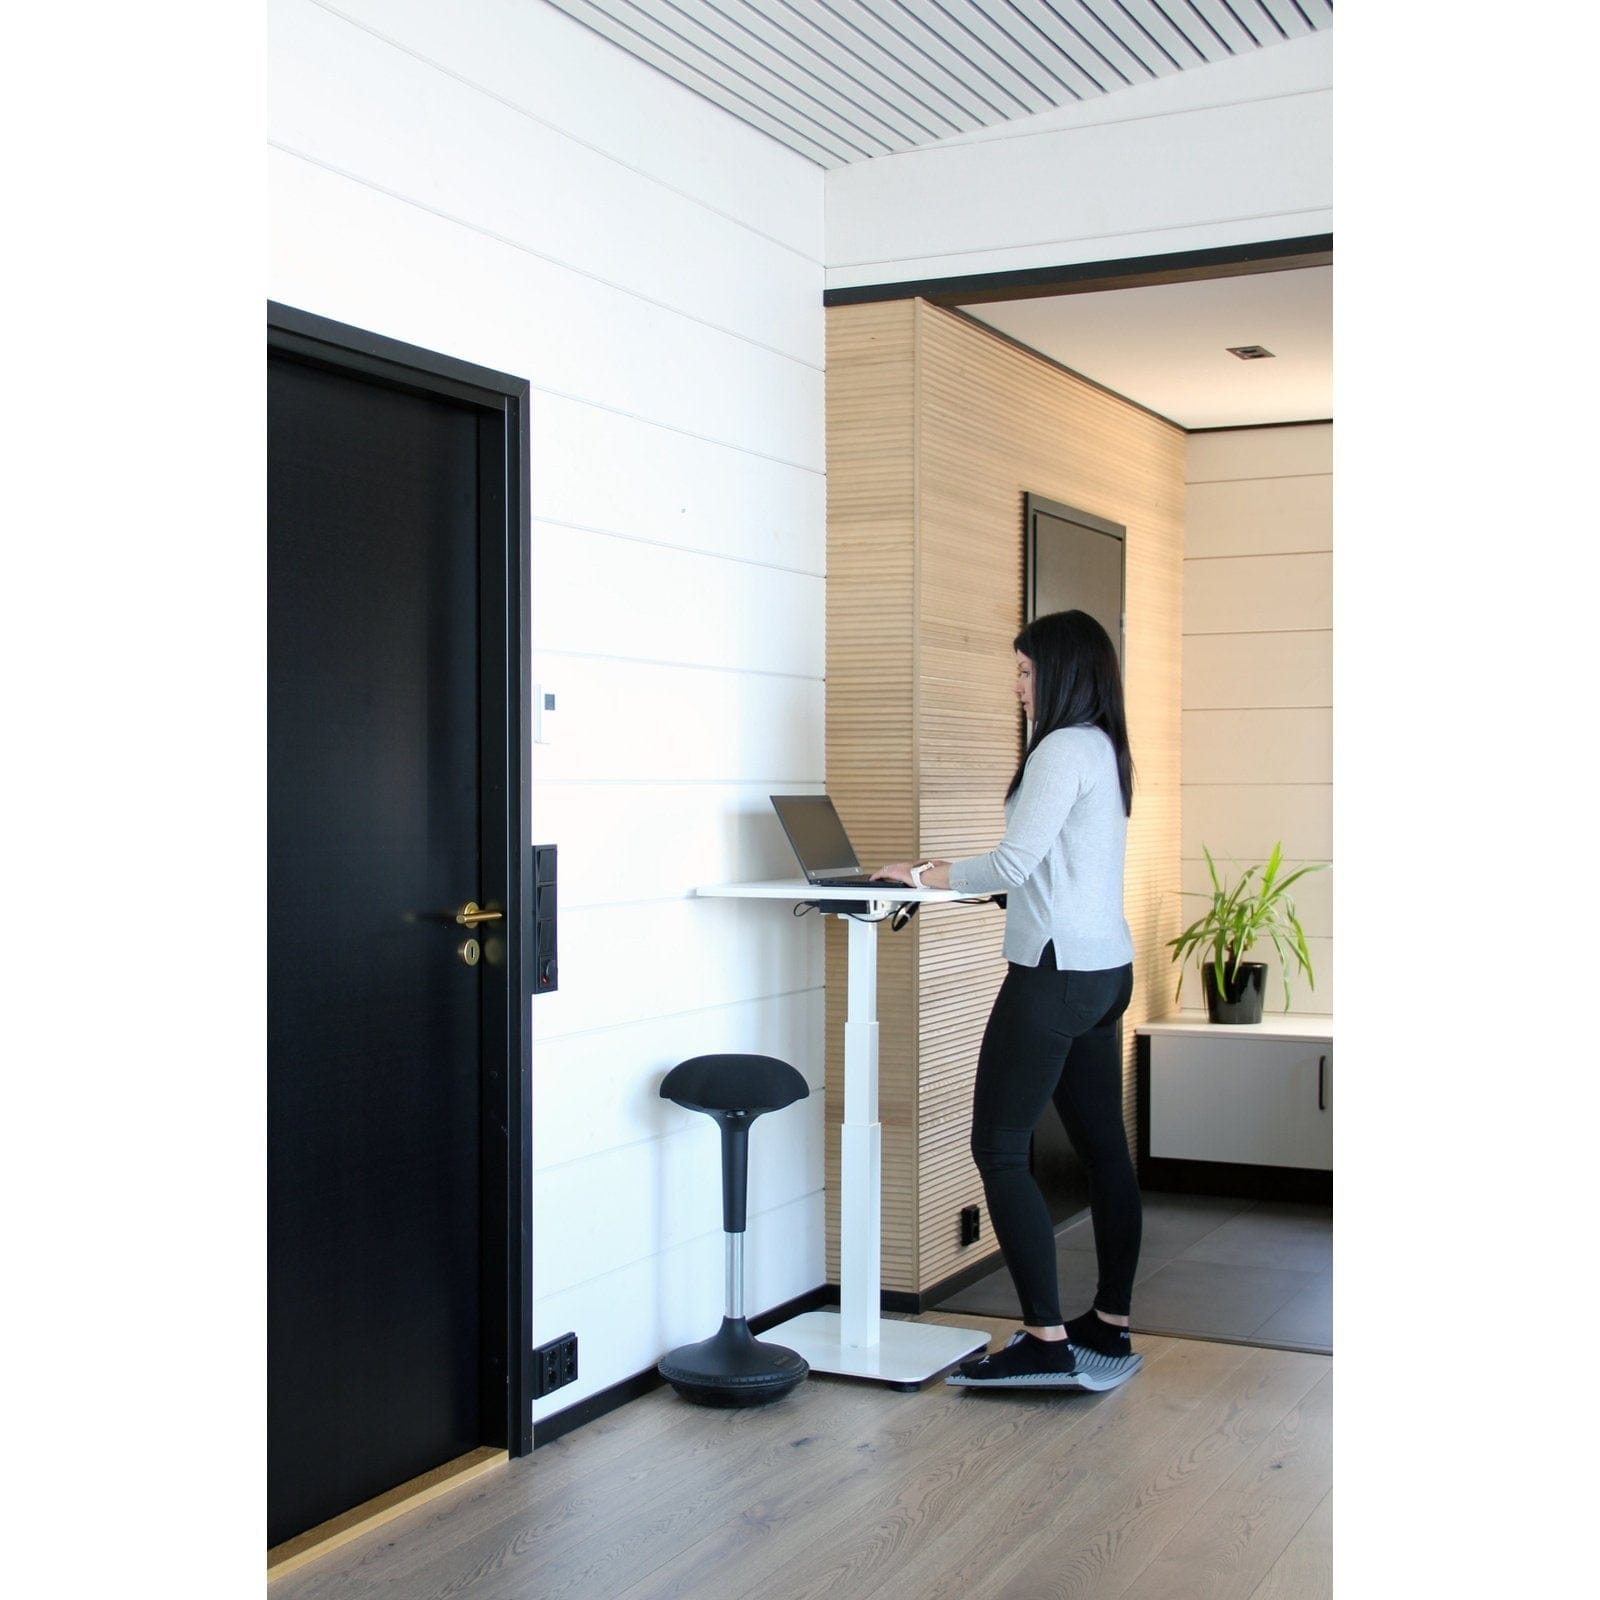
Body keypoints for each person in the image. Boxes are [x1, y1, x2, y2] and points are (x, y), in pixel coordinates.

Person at [874, 609, 1140, 1390]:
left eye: (1025, 673)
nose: (1019, 689)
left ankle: (1046, 1340)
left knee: (998, 1146)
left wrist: (921, 875)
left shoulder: (1060, 747)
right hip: (1104, 970)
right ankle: (1110, 1324)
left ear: (1059, 672)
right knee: (1104, 1151)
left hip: (1055, 977)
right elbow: (1067, 869)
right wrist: (982, 891)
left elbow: (1015, 862)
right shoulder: (1104, 745)